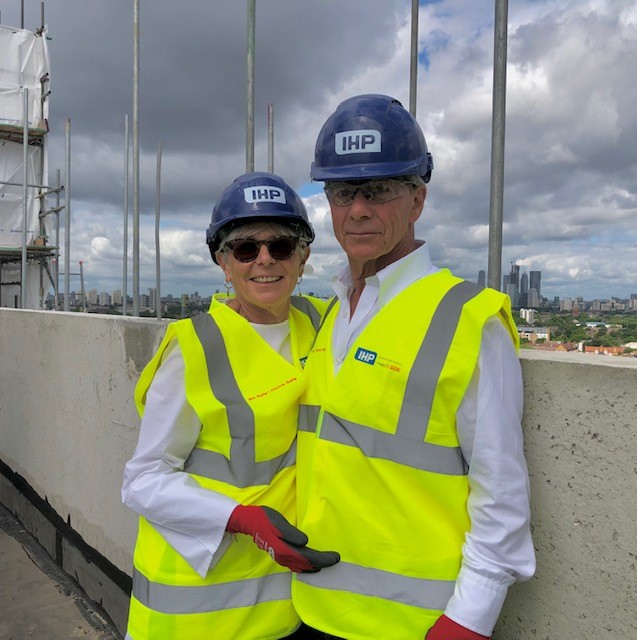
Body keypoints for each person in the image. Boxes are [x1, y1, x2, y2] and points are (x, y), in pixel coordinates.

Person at [291, 94, 536, 639]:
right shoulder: (331, 315)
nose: (358, 209)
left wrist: (469, 620)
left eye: (378, 190)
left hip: (415, 624)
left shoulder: (466, 318)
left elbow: (501, 491)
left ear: (417, 199)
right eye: (342, 191)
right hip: (310, 608)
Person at [122, 171, 340, 640]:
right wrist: (238, 518)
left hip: (287, 604)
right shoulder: (195, 348)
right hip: (194, 608)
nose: (265, 260)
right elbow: (142, 480)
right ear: (223, 263)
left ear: (303, 258)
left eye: (281, 246)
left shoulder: (324, 325)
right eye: (245, 248)